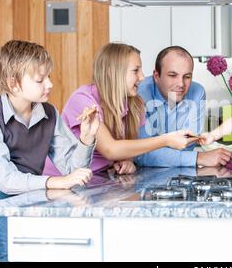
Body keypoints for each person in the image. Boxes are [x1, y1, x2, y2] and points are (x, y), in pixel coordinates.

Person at [0, 40, 100, 261]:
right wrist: (54, 181)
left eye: (48, 77)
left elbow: (73, 170)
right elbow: (4, 180)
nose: (49, 84)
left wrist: (87, 137)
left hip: (25, 191)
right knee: (12, 248)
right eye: (40, 80)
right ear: (13, 84)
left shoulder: (49, 114)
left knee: (50, 244)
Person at [43, 43, 198, 176]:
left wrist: (127, 160)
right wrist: (166, 139)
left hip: (93, 178)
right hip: (58, 181)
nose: (142, 77)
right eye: (135, 70)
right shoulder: (83, 99)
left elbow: (134, 145)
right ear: (112, 72)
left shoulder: (134, 103)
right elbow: (111, 149)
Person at [135, 46, 232, 167]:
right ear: (156, 76)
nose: (181, 84)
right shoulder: (139, 93)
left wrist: (168, 156)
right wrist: (199, 157)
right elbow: (141, 152)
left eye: (187, 76)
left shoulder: (197, 92)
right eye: (172, 75)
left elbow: (187, 145)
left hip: (178, 172)